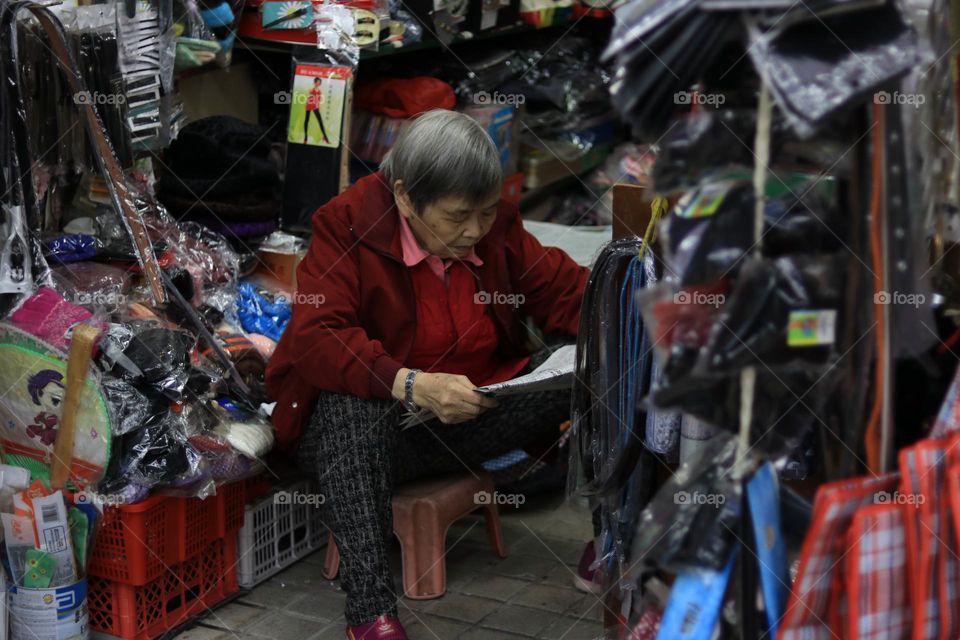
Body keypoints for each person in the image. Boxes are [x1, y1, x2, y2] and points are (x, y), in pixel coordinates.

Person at [266, 110, 589, 640]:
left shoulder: (493, 229)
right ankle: (371, 615)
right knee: (354, 402)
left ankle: (611, 545)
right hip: (366, 438)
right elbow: (319, 335)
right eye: (458, 216)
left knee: (594, 359)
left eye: (485, 214)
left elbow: (563, 290)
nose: (474, 231)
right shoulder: (344, 224)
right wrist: (413, 384)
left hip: (465, 421)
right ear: (404, 197)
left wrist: (641, 308)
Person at [304, 77, 330, 145]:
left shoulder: (319, 90)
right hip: (310, 105)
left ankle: (325, 137)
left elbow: (318, 99)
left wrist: (318, 105)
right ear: (315, 82)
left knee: (320, 121)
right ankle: (305, 138)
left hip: (315, 106)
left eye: (319, 82)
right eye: (317, 82)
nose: (318, 83)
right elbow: (308, 96)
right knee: (307, 120)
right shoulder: (311, 89)